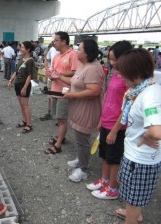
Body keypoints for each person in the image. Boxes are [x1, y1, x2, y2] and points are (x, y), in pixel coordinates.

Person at [110, 48, 161, 224]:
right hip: (133, 153)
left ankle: (132, 218)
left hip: (142, 159)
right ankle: (134, 214)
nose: (120, 75)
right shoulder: (140, 89)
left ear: (135, 71)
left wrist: (147, 137)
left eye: (122, 72)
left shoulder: (149, 95)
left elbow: (157, 131)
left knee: (135, 198)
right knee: (131, 194)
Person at [86, 41, 133, 200]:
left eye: (114, 59)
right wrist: (101, 119)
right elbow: (107, 99)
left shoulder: (129, 79)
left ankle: (113, 188)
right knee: (104, 154)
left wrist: (114, 130)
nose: (111, 63)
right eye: (110, 59)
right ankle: (105, 181)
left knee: (114, 158)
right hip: (106, 121)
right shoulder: (114, 74)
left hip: (117, 127)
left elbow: (126, 108)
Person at [60, 39, 104, 181]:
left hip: (88, 110)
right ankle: (80, 159)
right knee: (79, 138)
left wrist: (72, 95)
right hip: (78, 108)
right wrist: (58, 76)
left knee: (83, 139)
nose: (76, 51)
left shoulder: (93, 68)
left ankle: (83, 169)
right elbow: (75, 82)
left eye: (79, 49)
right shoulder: (82, 65)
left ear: (87, 52)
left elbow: (94, 91)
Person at [44, 31, 79, 155]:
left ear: (64, 41)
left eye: (56, 40)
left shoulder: (73, 54)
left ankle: (58, 145)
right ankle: (61, 137)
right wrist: (51, 73)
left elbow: (75, 72)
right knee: (58, 118)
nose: (54, 43)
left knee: (62, 118)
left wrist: (58, 74)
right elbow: (53, 70)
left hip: (65, 92)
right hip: (55, 89)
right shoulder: (57, 55)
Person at [8, 41, 36, 133]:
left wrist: (24, 87)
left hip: (24, 85)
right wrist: (11, 80)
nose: (20, 49)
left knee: (25, 105)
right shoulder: (21, 59)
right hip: (17, 84)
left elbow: (29, 75)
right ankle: (24, 121)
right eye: (21, 47)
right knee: (21, 105)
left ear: (28, 49)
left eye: (23, 47)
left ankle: (29, 124)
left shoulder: (30, 61)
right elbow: (16, 72)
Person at [39, 42, 59, 121]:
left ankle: (59, 117)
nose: (54, 42)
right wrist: (47, 70)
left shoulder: (68, 53)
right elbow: (46, 59)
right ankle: (49, 113)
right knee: (49, 96)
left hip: (61, 79)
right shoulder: (52, 49)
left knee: (60, 96)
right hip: (51, 78)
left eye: (57, 40)